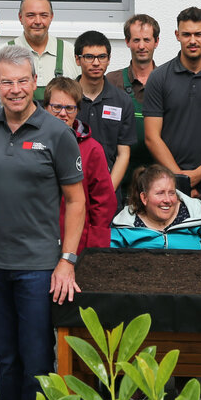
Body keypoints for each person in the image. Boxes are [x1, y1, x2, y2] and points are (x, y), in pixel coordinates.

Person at [0, 45, 85, 400]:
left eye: (23, 81)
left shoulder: (57, 134)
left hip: (38, 267)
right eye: (7, 82)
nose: (16, 89)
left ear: (35, 84)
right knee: (4, 359)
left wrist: (67, 260)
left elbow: (76, 201)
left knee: (37, 361)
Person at [143, 7, 201, 222]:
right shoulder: (159, 78)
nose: (192, 40)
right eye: (186, 34)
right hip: (166, 178)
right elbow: (151, 137)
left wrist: (198, 175)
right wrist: (180, 179)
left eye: (199, 34)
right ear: (177, 35)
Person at [44, 76, 118, 251]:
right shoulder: (30, 144)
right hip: (37, 245)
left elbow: (104, 202)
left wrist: (94, 246)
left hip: (78, 245)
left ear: (77, 110)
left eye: (69, 108)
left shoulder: (92, 149)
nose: (63, 113)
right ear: (45, 107)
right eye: (56, 107)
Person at [73, 30, 136, 191]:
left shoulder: (122, 101)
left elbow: (123, 154)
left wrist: (107, 191)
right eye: (89, 57)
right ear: (77, 60)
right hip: (70, 188)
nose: (96, 63)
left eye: (102, 57)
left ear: (108, 60)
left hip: (109, 191)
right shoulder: (65, 99)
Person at [111, 165, 201, 250]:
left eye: (172, 193)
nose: (167, 200)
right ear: (144, 198)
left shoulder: (196, 214)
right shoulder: (126, 224)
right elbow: (113, 257)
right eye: (160, 193)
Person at [106, 14, 160, 194]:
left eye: (147, 40)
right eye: (136, 40)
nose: (142, 46)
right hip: (119, 179)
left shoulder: (168, 81)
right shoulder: (111, 82)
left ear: (156, 42)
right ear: (127, 42)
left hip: (159, 177)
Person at [8, 0, 81, 101]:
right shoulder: (4, 54)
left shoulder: (70, 52)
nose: (38, 21)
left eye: (43, 15)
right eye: (31, 15)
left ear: (51, 17)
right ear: (20, 17)